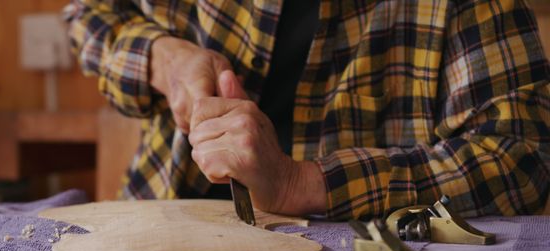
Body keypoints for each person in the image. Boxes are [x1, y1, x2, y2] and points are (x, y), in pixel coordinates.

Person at [65, 0, 550, 220]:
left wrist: (300, 183)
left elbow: (519, 156)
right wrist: (163, 58)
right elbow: (89, 15)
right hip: (165, 218)